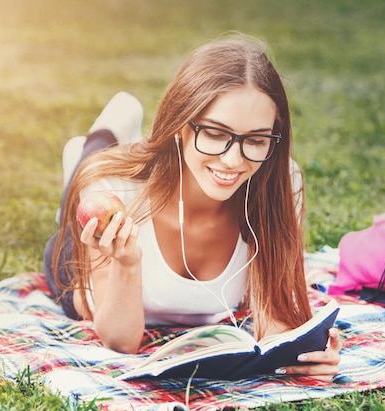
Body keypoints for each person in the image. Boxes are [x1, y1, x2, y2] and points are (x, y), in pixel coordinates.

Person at [44, 34, 341, 381]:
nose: (233, 161)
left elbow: (276, 322)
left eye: (257, 140)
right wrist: (126, 262)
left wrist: (306, 356)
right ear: (180, 125)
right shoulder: (115, 189)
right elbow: (120, 343)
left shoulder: (279, 181)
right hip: (90, 247)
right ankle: (99, 137)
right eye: (215, 133)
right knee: (88, 170)